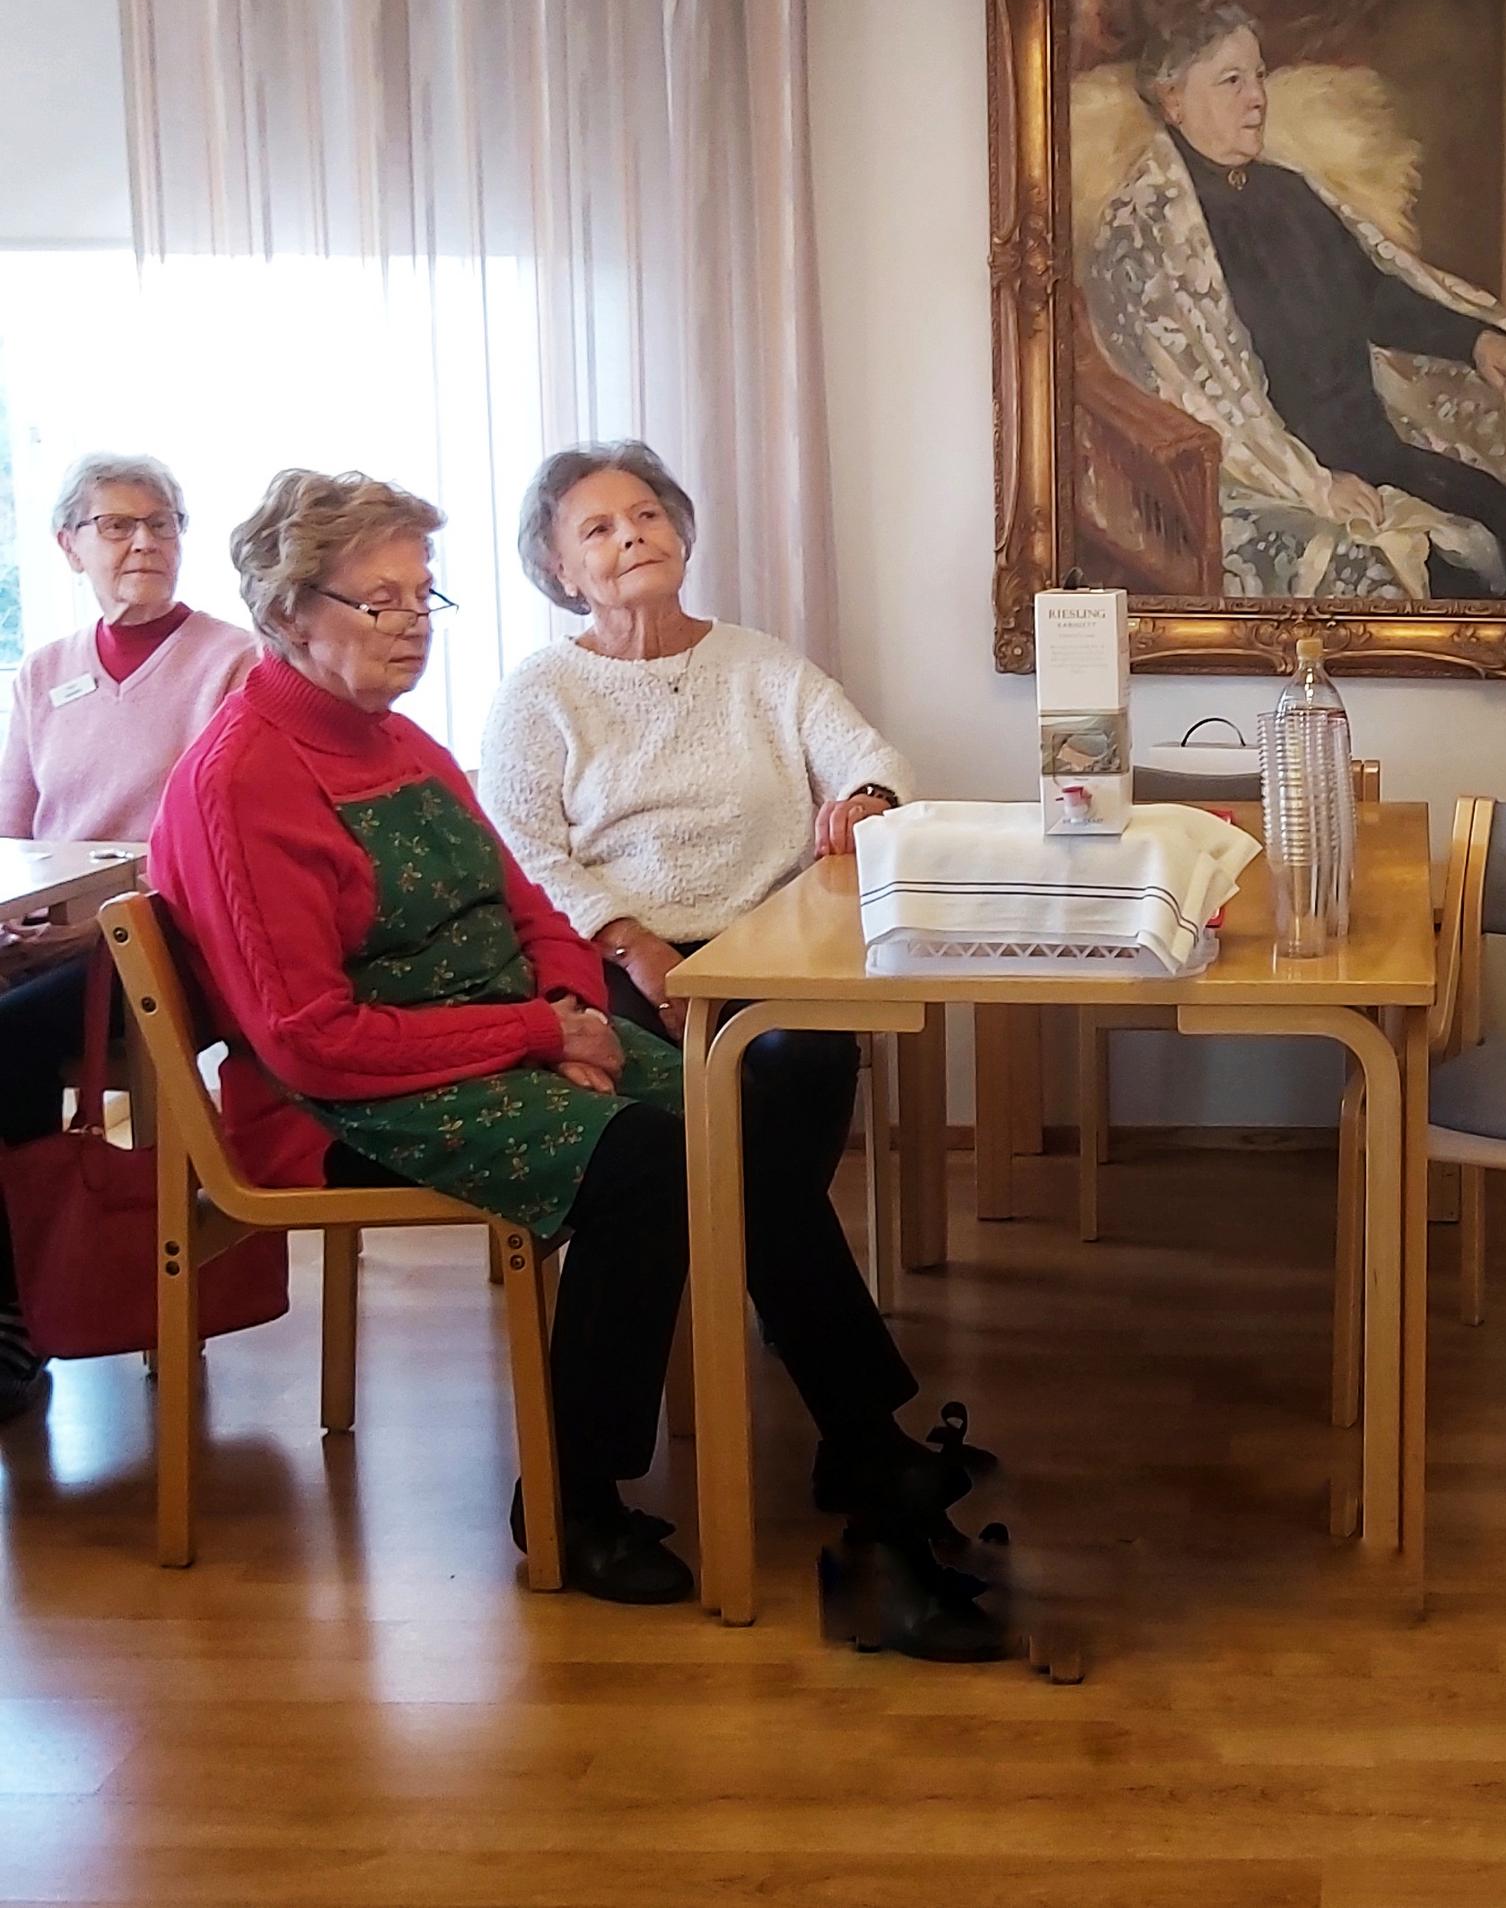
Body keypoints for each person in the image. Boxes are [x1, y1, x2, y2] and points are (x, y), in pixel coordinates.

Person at [150, 468, 997, 1649]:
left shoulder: (395, 741)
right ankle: (570, 1497)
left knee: (736, 1117)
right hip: (341, 1103)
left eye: (422, 597)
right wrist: (544, 1032)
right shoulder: (243, 777)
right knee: (649, 1166)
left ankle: (861, 1441)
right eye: (379, 602)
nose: (411, 625)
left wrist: (563, 999)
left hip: (486, 1042)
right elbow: (310, 1039)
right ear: (291, 613)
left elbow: (527, 901)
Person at [475, 441, 960, 1528]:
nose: (631, 536)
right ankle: (857, 1433)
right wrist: (634, 944)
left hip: (768, 952)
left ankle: (828, 1405)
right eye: (598, 528)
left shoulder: (760, 665)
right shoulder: (541, 691)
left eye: (647, 515)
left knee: (801, 1061)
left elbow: (874, 758)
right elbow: (523, 851)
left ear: (682, 533)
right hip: (612, 967)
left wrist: (867, 801)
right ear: (558, 570)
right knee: (742, 1151)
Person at [1085, 0, 1506, 601]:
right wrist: (1316, 484)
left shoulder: (1287, 191)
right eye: (1231, 81)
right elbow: (1195, 397)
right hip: (1261, 479)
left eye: (1258, 76)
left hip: (1374, 451)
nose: (1257, 97)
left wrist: (1478, 341)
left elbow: (1372, 297)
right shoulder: (1146, 226)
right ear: (1173, 101)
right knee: (1429, 580)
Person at [0, 454, 255, 1422]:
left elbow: (222, 850)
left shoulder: (232, 663)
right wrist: (28, 925)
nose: (143, 541)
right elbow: (12, 832)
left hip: (169, 942)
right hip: (52, 936)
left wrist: (86, 933)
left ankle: (18, 1309)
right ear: (70, 546)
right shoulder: (43, 672)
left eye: (161, 522)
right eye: (116, 525)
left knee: (7, 1039)